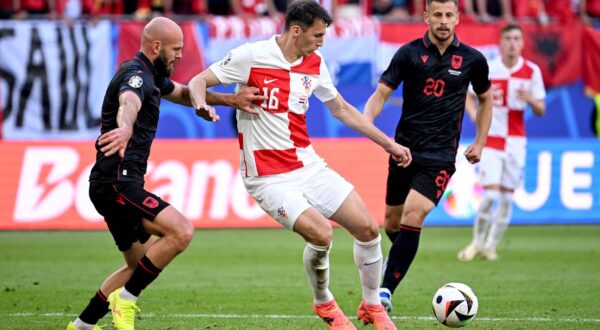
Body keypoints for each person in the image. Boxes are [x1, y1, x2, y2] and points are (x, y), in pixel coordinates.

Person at [188, 1, 411, 329]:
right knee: (321, 235)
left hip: (307, 165)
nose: (321, 42)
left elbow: (342, 110)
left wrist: (388, 144)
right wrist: (200, 104)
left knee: (367, 228)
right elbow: (198, 81)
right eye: (317, 35)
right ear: (295, 31)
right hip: (267, 176)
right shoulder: (251, 56)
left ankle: (372, 305)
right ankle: (324, 303)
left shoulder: (315, 63)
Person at [67, 17, 262, 330]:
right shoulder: (136, 77)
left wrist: (230, 100)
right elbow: (127, 103)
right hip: (118, 183)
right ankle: (125, 301)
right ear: (156, 46)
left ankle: (82, 326)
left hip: (112, 183)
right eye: (176, 49)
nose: (180, 55)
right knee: (181, 231)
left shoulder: (151, 74)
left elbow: (185, 94)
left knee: (139, 265)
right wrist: (126, 128)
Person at [362, 0, 493, 313]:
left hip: (440, 155)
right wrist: (368, 123)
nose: (444, 21)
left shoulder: (473, 60)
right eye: (438, 15)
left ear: (458, 18)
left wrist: (480, 142)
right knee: (392, 224)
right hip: (403, 151)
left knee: (413, 215)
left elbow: (486, 100)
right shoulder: (408, 53)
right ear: (426, 17)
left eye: (449, 15)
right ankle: (401, 259)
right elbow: (381, 94)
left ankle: (384, 292)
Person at [458, 23, 546, 262]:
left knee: (507, 199)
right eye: (508, 38)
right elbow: (468, 93)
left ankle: (490, 246)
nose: (512, 43)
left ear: (522, 43)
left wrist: (531, 99)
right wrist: (472, 113)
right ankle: (476, 242)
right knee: (490, 197)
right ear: (501, 42)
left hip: (516, 142)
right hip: (492, 140)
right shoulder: (489, 68)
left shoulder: (531, 71)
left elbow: (541, 109)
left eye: (517, 38)